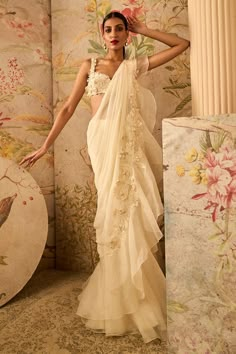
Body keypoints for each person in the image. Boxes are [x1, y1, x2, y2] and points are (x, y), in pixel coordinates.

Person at [20, 11, 190, 343]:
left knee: (134, 214)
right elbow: (68, 108)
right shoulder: (90, 65)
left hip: (129, 144)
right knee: (112, 214)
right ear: (102, 35)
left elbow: (182, 44)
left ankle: (140, 297)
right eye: (108, 29)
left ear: (128, 35)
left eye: (120, 29)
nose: (114, 34)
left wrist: (145, 29)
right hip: (102, 143)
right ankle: (119, 296)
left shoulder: (133, 66)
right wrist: (45, 146)